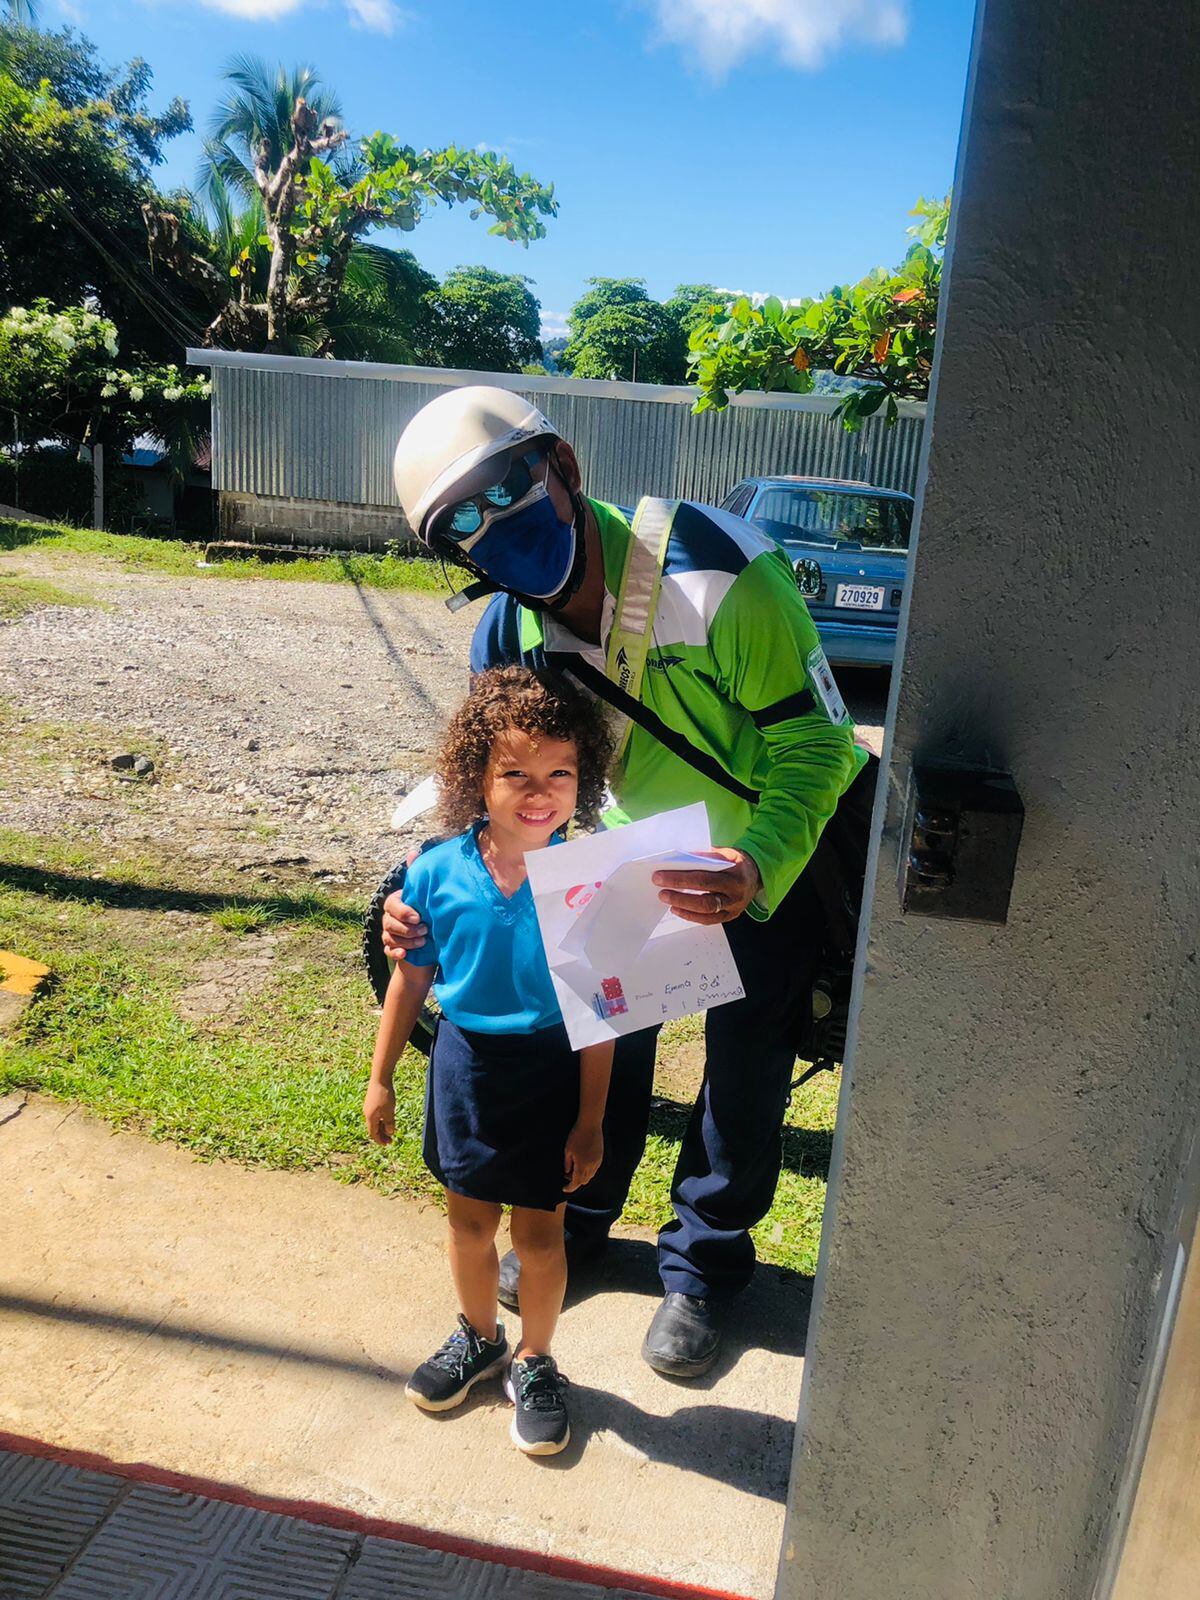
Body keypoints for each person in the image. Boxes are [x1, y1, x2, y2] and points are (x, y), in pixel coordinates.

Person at [385, 385, 865, 1379]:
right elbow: (510, 784)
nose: (490, 530)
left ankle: (703, 1266)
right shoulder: (505, 637)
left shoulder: (719, 574)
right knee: (605, 1045)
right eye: (457, 527)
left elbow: (819, 746)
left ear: (561, 465)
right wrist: (434, 890)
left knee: (744, 1066)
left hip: (755, 852)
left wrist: (759, 861)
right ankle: (589, 1219)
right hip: (625, 863)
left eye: (503, 490)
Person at [364, 665, 615, 1456]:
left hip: (550, 1073)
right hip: (465, 1068)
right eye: (515, 773)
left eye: (559, 774)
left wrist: (591, 1119)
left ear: (585, 781)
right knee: (469, 1225)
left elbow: (600, 1012)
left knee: (540, 1241)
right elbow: (411, 977)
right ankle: (478, 1338)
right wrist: (380, 1077)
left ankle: (537, 1360)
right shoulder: (434, 872)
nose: (538, 791)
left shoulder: (591, 881)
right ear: (477, 777)